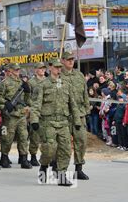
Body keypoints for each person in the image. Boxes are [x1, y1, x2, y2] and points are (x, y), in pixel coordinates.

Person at [30, 59, 81, 187]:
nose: (59, 69)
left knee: (65, 150)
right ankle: (44, 165)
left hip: (63, 122)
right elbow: (36, 105)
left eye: (60, 67)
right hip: (48, 122)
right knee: (49, 149)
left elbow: (73, 105)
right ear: (50, 68)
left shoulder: (66, 84)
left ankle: (61, 174)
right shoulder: (42, 85)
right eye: (56, 67)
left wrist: (77, 120)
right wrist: (34, 120)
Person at [0, 63, 32, 169]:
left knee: (23, 137)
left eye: (18, 69)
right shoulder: (4, 83)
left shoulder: (22, 83)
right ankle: (4, 157)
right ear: (10, 70)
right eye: (15, 70)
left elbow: (26, 100)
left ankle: (24, 158)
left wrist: (28, 91)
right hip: (9, 116)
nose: (17, 71)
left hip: (21, 115)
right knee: (7, 138)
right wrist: (5, 106)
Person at [61, 51, 90, 180]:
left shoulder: (79, 75)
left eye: (72, 59)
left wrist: (86, 111)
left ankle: (79, 169)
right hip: (65, 115)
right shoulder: (58, 77)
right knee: (64, 144)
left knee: (81, 141)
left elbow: (85, 95)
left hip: (79, 114)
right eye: (68, 59)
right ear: (62, 61)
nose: (71, 61)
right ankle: (61, 169)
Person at [28, 62, 46, 166]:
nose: (43, 70)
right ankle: (33, 156)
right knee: (34, 135)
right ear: (35, 70)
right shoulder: (31, 82)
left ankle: (47, 156)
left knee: (48, 135)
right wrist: (33, 106)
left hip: (47, 111)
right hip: (36, 111)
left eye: (44, 68)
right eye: (40, 68)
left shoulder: (48, 81)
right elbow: (28, 97)